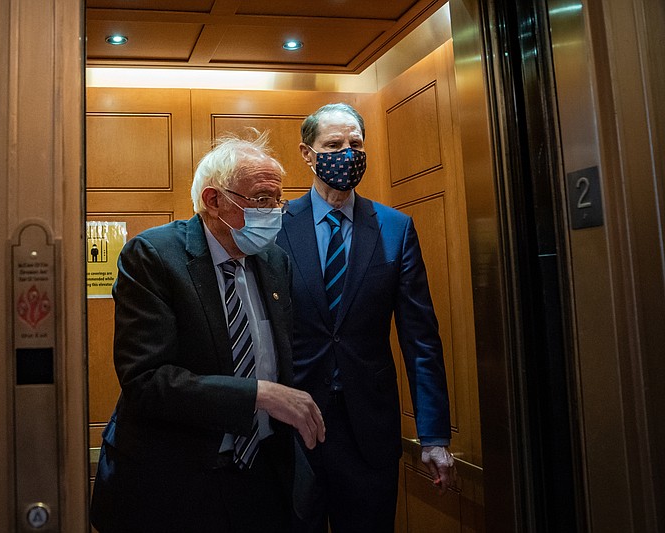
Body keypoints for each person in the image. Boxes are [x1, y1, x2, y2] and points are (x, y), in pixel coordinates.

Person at [90, 132, 326, 533]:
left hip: (263, 476)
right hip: (177, 482)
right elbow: (147, 381)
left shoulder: (273, 261)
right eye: (261, 200)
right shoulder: (153, 256)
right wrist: (258, 395)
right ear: (214, 200)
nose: (273, 213)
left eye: (277, 200)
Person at [276, 103, 456, 532]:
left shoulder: (395, 228)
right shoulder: (277, 225)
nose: (346, 153)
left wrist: (433, 435)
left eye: (355, 144)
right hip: (292, 430)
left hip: (369, 434)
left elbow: (421, 339)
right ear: (307, 153)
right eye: (333, 145)